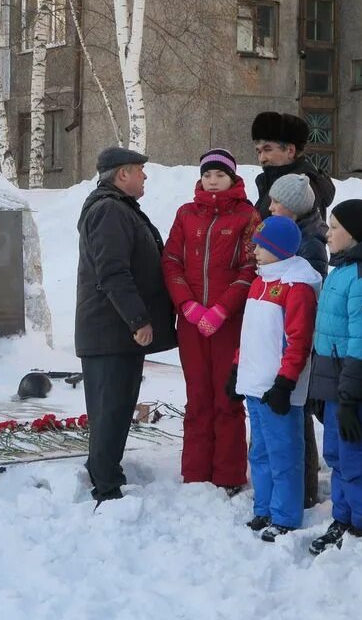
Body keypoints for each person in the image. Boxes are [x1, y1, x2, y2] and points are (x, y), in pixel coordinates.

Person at [75, 147, 177, 504]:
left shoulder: (118, 209)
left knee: (115, 408)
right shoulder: (109, 211)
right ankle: (105, 486)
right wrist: (138, 320)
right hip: (110, 332)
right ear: (122, 176)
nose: (145, 177)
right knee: (111, 410)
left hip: (113, 332)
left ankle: (106, 474)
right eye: (139, 171)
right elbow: (113, 272)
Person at [161, 149, 259, 491]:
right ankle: (195, 473)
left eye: (219, 174)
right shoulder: (186, 214)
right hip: (191, 324)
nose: (212, 180)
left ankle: (229, 475)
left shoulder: (248, 216)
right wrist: (187, 306)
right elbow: (171, 260)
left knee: (227, 398)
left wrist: (221, 309)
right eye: (207, 175)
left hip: (228, 323)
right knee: (197, 397)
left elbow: (251, 267)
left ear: (232, 178)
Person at [251, 111, 335, 508]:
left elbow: (306, 281)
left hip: (289, 331)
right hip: (268, 322)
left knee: (294, 410)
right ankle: (280, 488)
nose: (261, 155)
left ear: (290, 150)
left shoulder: (303, 201)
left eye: (268, 148)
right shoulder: (270, 189)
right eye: (258, 149)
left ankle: (299, 491)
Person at [308, 199, 362, 554]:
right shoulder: (343, 270)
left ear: (355, 234)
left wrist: (349, 398)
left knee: (356, 457)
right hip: (336, 386)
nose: (328, 234)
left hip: (355, 389)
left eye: (335, 227)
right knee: (337, 455)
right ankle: (343, 517)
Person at [232, 216, 321, 542]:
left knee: (284, 453)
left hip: (277, 387)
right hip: (255, 383)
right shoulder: (261, 281)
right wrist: (236, 367)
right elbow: (251, 332)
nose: (254, 250)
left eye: (261, 245)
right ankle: (264, 508)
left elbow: (299, 340)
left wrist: (285, 382)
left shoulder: (297, 287)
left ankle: (285, 516)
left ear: (279, 250)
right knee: (260, 452)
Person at [268, 173, 328, 277]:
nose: (270, 207)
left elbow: (312, 285)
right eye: (271, 201)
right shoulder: (286, 232)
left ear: (294, 207)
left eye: (276, 202)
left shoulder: (310, 245)